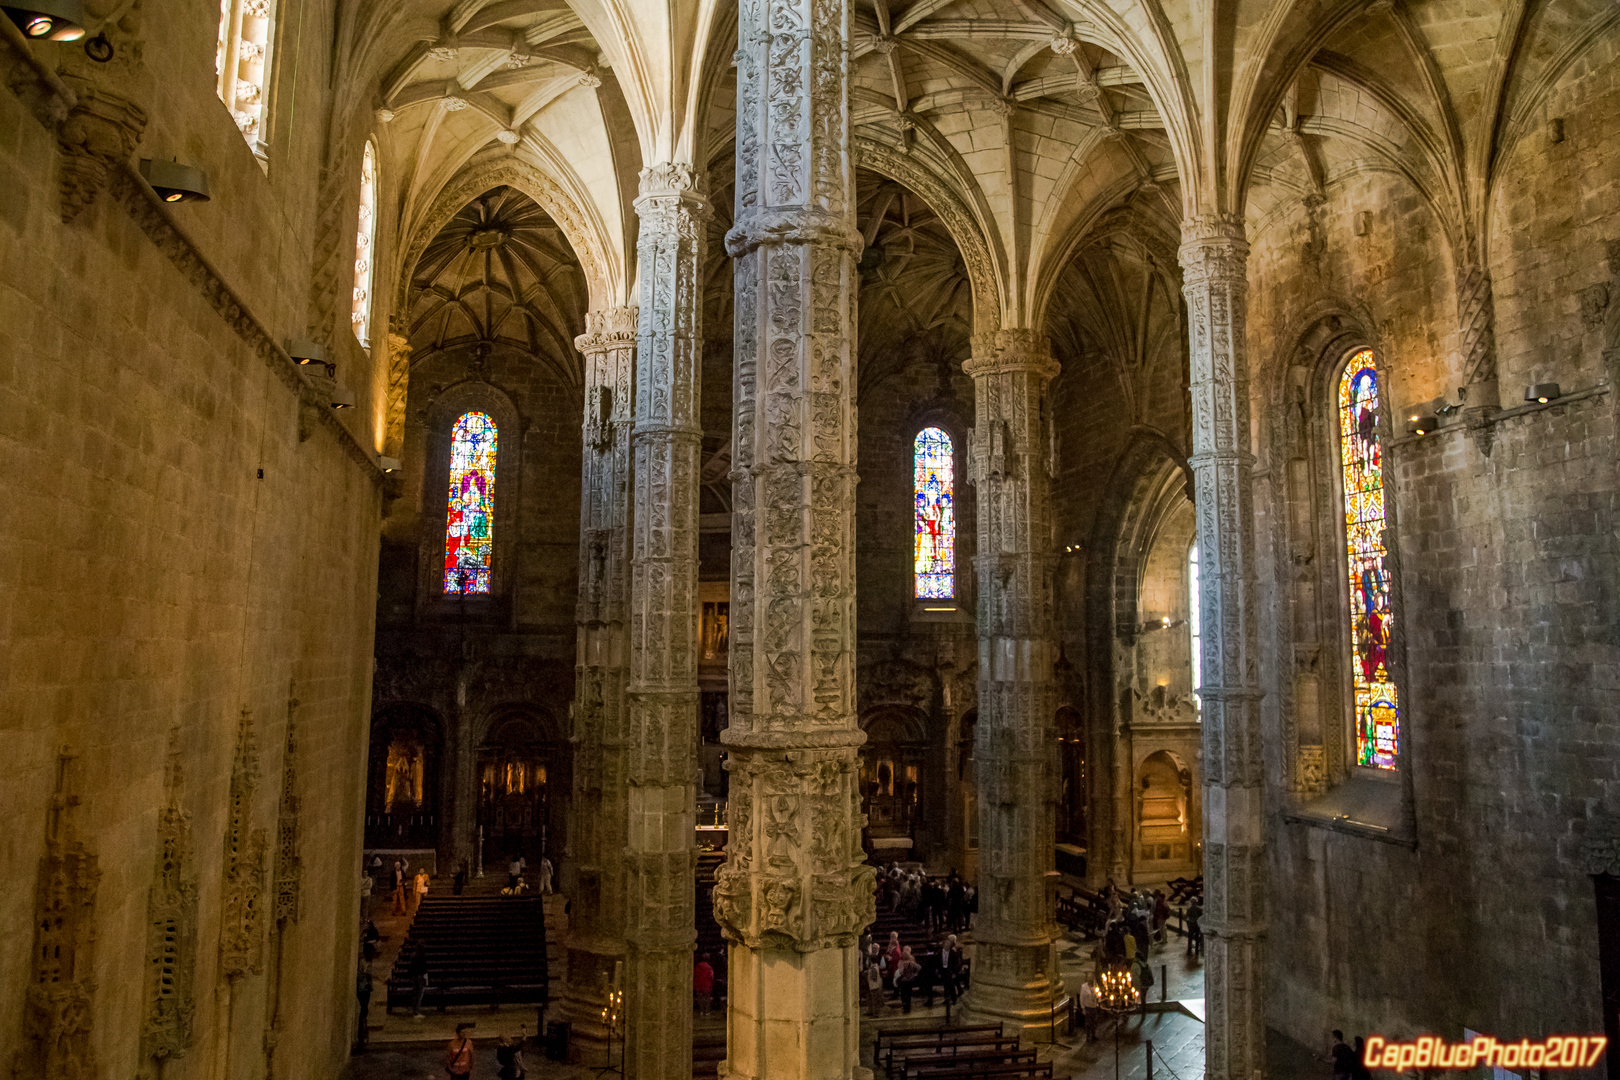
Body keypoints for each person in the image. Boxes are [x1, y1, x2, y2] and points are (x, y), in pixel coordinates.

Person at [895, 947, 922, 1014]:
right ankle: (908, 1008)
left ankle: (905, 1008)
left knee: (904, 995)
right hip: (909, 980)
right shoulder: (912, 963)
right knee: (908, 994)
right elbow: (919, 968)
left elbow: (901, 972)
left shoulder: (902, 963)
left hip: (904, 981)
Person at [939, 934, 964, 1005]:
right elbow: (938, 962)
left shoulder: (953, 953)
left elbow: (956, 963)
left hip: (950, 970)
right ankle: (946, 999)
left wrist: (955, 972)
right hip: (943, 970)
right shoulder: (940, 952)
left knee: (951, 986)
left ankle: (954, 999)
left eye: (948, 945)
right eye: (945, 945)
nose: (947, 946)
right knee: (945, 986)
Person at [409, 946, 431, 1019]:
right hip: (420, 976)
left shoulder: (413, 955)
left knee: (415, 993)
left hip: (414, 976)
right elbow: (424, 968)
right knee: (419, 994)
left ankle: (414, 1010)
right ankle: (416, 1012)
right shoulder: (422, 956)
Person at [355, 962, 373, 1049]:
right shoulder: (366, 966)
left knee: (364, 1010)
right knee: (364, 1009)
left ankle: (362, 1032)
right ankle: (362, 1033)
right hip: (364, 991)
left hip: (362, 990)